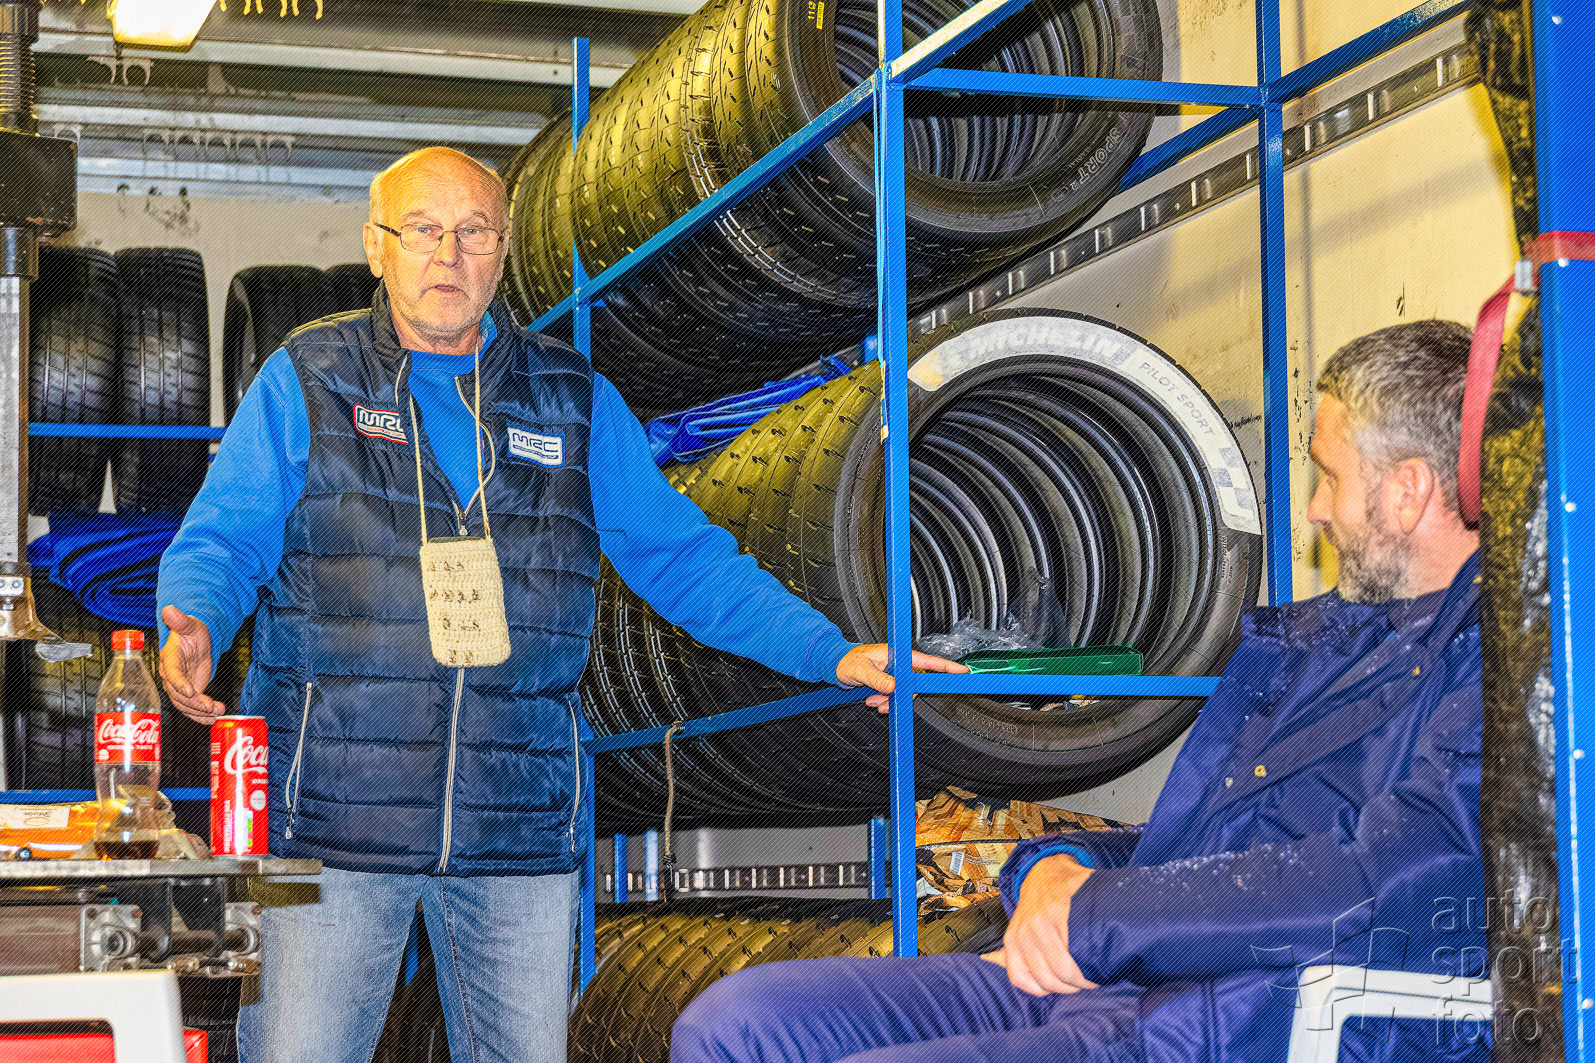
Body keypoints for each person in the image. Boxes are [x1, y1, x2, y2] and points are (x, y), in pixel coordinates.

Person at [155, 146, 965, 1063]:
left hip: (518, 827)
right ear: (377, 246)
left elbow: (682, 556)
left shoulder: (572, 398)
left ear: (503, 251)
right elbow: (226, 536)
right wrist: (196, 616)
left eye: (473, 232)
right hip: (332, 823)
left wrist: (829, 651)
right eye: (422, 230)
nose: (448, 254)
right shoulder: (308, 376)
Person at [672, 320, 1491, 1063]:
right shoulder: (1328, 646)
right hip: (1123, 976)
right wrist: (1055, 867)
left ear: (1407, 490)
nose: (1312, 509)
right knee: (733, 1023)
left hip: (1230, 1021)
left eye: (1329, 477)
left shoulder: (1500, 669)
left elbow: (1390, 877)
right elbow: (1196, 850)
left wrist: (1095, 918)